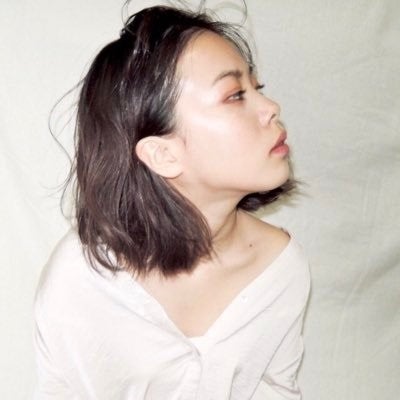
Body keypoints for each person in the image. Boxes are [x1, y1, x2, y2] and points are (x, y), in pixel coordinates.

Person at [33, 4, 310, 400]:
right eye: (235, 95)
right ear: (162, 154)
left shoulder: (281, 268)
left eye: (257, 88)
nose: (271, 108)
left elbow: (279, 391)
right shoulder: (83, 278)